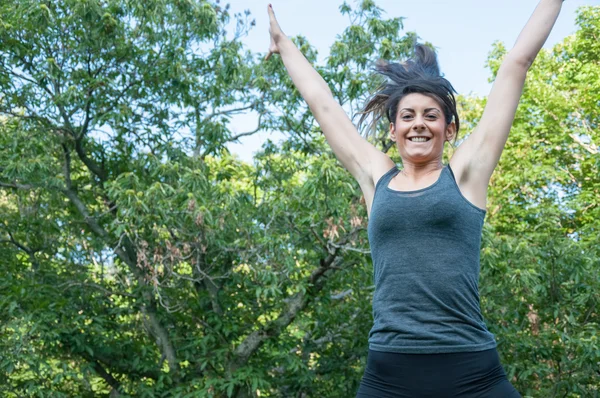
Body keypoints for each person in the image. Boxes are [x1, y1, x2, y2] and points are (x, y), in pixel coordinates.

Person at [265, 1, 563, 396]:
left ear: (449, 129)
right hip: (390, 375)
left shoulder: (466, 175)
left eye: (430, 115)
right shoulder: (376, 178)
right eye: (407, 116)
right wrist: (284, 44)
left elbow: (516, 64)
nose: (418, 123)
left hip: (471, 371)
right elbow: (323, 105)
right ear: (393, 130)